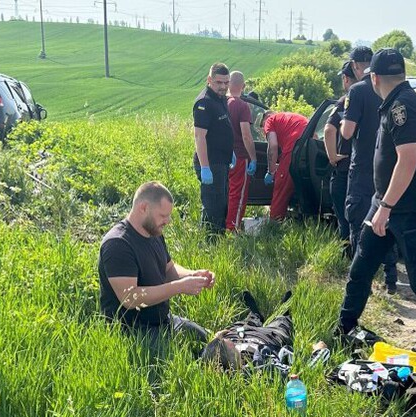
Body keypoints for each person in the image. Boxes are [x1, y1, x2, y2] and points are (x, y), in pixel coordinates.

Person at [335, 49, 416, 370]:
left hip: (407, 211)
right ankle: (343, 330)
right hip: (385, 205)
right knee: (360, 270)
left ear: (375, 78)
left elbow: (408, 161)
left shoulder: (402, 107)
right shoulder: (394, 102)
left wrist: (386, 206)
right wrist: (382, 205)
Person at [98, 181, 212, 347]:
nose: (167, 221)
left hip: (163, 320)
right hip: (133, 331)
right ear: (143, 208)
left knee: (210, 340)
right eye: (163, 216)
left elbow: (169, 270)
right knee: (185, 359)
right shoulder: (118, 244)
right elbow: (130, 298)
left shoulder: (154, 233)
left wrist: (194, 275)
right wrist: (179, 287)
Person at [341, 46, 398, 293]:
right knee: (385, 222)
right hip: (387, 169)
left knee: (358, 222)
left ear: (355, 65)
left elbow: (347, 132)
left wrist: (344, 117)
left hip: (363, 168)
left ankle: (361, 280)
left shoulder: (357, 90)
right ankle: (391, 279)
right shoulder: (391, 91)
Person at [201, 291, 329, 374]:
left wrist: (216, 340)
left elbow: (208, 356)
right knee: (282, 323)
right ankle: (284, 311)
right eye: (233, 347)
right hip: (269, 338)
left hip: (240, 333)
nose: (234, 346)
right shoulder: (262, 368)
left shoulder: (210, 360)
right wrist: (320, 351)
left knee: (247, 322)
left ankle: (255, 314)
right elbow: (301, 374)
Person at [193, 63, 234, 233]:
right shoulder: (204, 102)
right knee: (213, 207)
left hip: (222, 162)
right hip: (210, 163)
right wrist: (204, 167)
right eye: (219, 82)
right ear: (209, 80)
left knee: (222, 204)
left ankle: (218, 239)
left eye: (226, 83)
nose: (223, 87)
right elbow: (199, 137)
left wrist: (230, 152)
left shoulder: (221, 99)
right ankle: (210, 243)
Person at [324, 60, 356, 255]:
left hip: (344, 167)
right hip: (370, 170)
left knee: (344, 216)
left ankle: (348, 254)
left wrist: (332, 156)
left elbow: (328, 130)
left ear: (345, 79)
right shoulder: (379, 98)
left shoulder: (346, 101)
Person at [261, 111, 309, 221]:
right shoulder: (293, 117)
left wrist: (271, 171)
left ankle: (274, 225)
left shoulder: (270, 120)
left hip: (293, 151)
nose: (265, 132)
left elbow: (273, 145)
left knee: (281, 189)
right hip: (307, 152)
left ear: (266, 117)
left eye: (262, 127)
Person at [225, 71, 258, 231]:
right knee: (237, 195)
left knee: (226, 193)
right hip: (239, 157)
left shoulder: (222, 102)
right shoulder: (242, 106)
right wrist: (253, 158)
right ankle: (233, 229)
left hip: (224, 157)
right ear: (243, 86)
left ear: (228, 84)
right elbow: (246, 135)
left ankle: (223, 226)